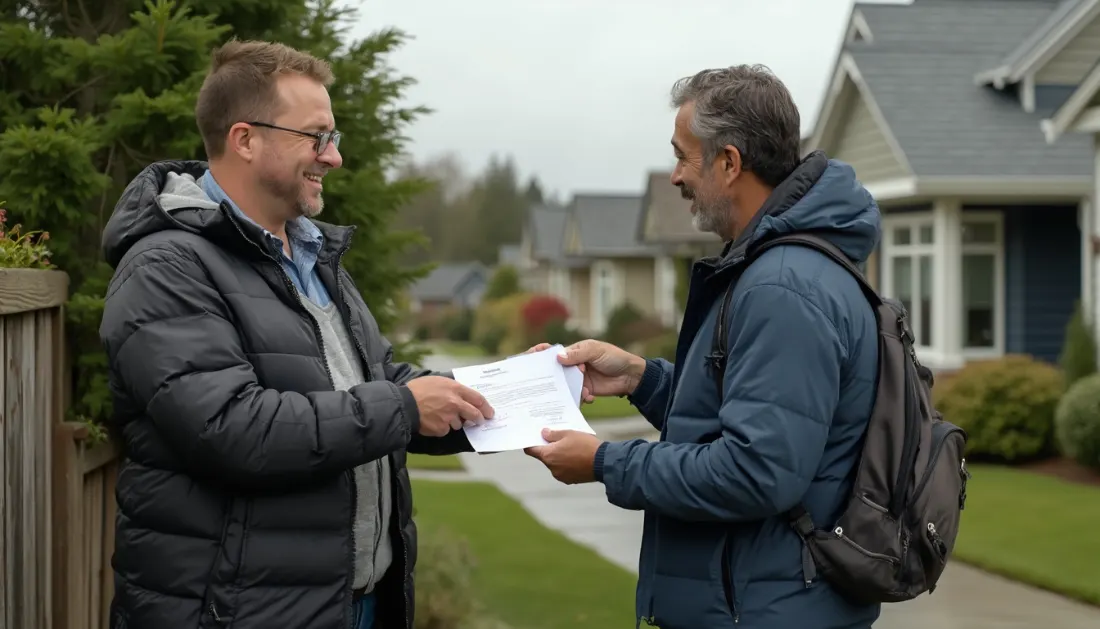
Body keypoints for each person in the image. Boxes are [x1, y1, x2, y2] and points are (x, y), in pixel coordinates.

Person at [98, 40, 493, 629]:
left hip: (348, 604)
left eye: (333, 137)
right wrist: (405, 408)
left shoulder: (311, 254)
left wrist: (514, 392)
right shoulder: (165, 268)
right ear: (245, 139)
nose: (332, 157)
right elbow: (231, 428)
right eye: (317, 136)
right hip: (238, 612)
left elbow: (380, 383)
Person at [524, 65, 882, 629]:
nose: (674, 177)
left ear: (730, 162)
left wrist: (603, 462)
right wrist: (642, 378)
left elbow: (756, 471)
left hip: (765, 612)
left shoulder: (783, 286)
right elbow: (745, 418)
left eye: (683, 156)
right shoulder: (771, 269)